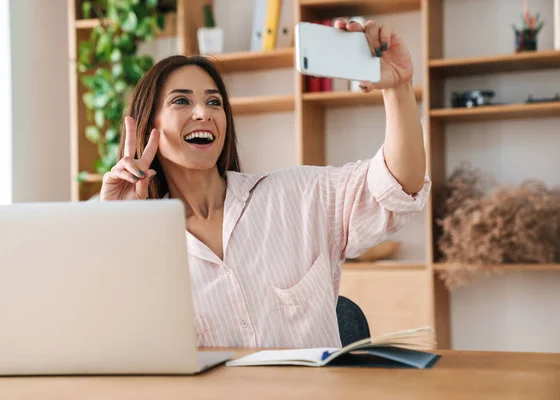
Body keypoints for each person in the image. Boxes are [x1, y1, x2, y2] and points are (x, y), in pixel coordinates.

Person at [100, 19, 431, 348]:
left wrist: (398, 87)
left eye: (214, 102)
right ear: (148, 126)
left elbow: (398, 184)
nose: (204, 112)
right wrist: (124, 227)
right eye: (181, 101)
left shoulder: (299, 196)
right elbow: (118, 347)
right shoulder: (146, 248)